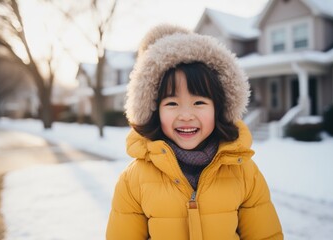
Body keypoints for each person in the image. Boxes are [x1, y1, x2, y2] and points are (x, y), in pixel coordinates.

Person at [106, 24, 283, 240]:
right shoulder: (134, 180)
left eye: (199, 102)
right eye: (172, 103)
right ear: (154, 110)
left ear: (219, 107)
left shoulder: (243, 172)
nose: (186, 115)